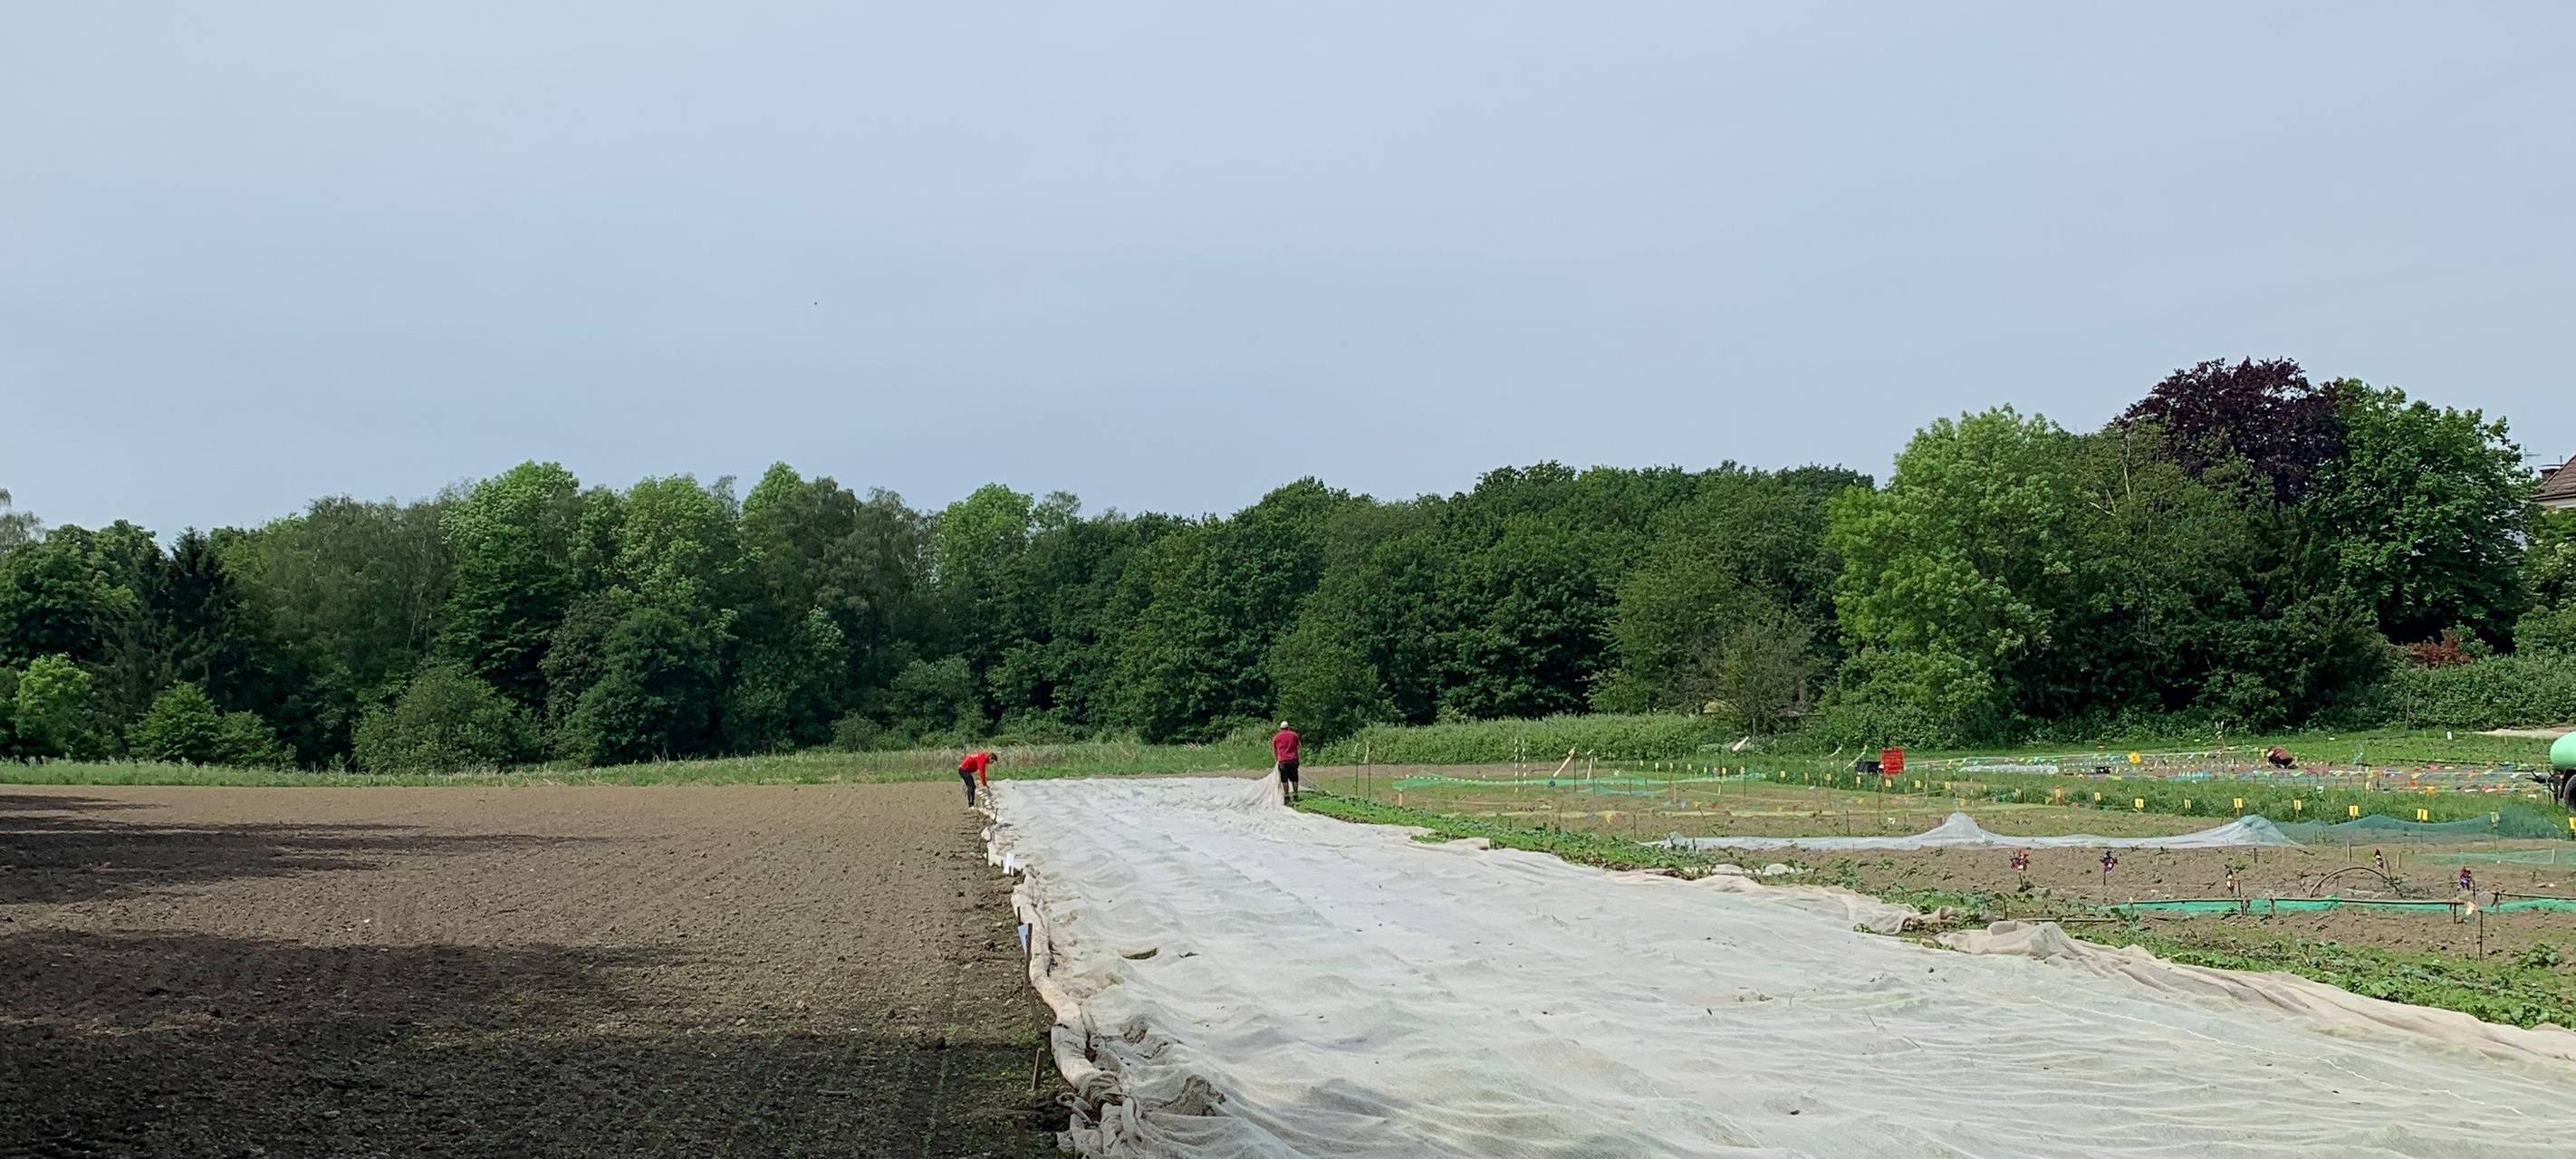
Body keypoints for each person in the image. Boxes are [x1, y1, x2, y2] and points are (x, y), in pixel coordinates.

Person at [1272, 721, 1301, 803]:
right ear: (1288, 727)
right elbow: (1298, 746)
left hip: (1283, 761)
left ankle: (1287, 796)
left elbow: (1275, 750)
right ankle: (1295, 794)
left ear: (1280, 729)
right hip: (1293, 759)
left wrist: (1277, 759)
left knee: (1284, 779)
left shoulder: (1276, 737)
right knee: (1294, 778)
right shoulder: (1294, 735)